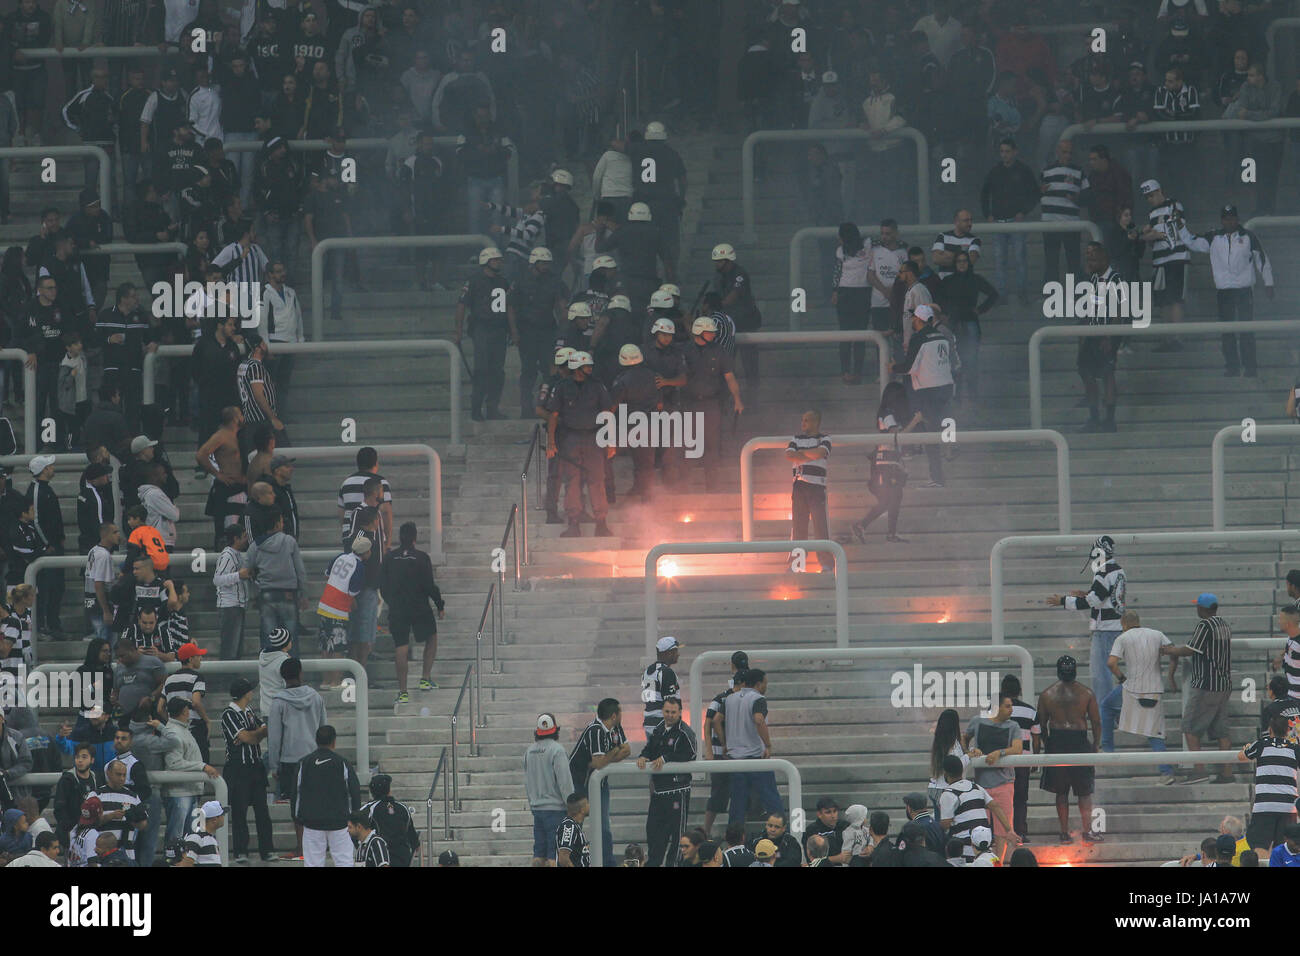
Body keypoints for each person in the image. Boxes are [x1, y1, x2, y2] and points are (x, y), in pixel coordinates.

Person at [1177, 204, 1273, 377]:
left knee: (1246, 331)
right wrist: (1180, 228)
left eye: (1232, 218)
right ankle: (1232, 367)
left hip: (1244, 291)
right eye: (1226, 218)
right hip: (1224, 292)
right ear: (1222, 220)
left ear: (1237, 219)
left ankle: (1250, 368)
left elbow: (1262, 259)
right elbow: (1192, 241)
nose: (1230, 221)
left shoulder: (1248, 236)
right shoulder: (1214, 237)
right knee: (1227, 331)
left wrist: (1269, 283)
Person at [1047, 534, 1127, 700]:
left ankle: (1103, 713)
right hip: (1115, 626)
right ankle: (1110, 711)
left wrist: (1063, 601)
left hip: (1104, 629)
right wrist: (1086, 594)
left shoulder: (1103, 572)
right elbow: (1106, 596)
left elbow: (1092, 601)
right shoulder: (1118, 570)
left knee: (1100, 674)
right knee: (1106, 672)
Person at [1165, 594, 1234, 784]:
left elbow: (1191, 649)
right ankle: (1227, 773)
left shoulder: (1205, 625)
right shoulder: (1224, 624)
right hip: (1224, 684)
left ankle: (1199, 770)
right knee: (1222, 731)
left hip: (1206, 684)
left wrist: (1171, 651)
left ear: (1202, 609)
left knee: (1189, 727)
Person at [545, 350, 613, 538]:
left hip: (593, 438)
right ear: (576, 367)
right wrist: (551, 441)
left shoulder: (597, 386)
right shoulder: (561, 387)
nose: (590, 368)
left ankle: (601, 523)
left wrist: (610, 440)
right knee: (572, 481)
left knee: (597, 480)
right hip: (570, 439)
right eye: (586, 365)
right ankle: (573, 523)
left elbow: (607, 413)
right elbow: (553, 415)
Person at [1037, 655, 1104, 845]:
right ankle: (1087, 830)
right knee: (1083, 792)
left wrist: (1047, 743)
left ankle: (1064, 832)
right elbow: (1096, 722)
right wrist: (1095, 744)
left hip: (1057, 741)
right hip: (1078, 741)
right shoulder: (1086, 693)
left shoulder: (1047, 694)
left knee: (1062, 791)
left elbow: (1041, 726)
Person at [1104, 610, 1175, 781]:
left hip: (1132, 689)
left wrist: (1122, 678)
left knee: (1106, 706)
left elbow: (1111, 663)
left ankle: (1107, 751)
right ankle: (1166, 773)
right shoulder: (1157, 634)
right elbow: (1174, 652)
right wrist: (1171, 676)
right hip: (1155, 689)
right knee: (1153, 732)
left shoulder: (1123, 638)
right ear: (1138, 621)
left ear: (1123, 624)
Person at [380, 522, 446, 702]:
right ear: (415, 538)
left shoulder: (390, 557)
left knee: (401, 646)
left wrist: (391, 601)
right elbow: (429, 585)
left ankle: (403, 692)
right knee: (431, 637)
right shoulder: (421, 557)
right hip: (419, 607)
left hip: (398, 608)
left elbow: (383, 585)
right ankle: (425, 678)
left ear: (399, 537)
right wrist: (440, 605)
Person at [891, 305, 953, 488]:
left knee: (930, 434)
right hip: (945, 388)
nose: (912, 320)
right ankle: (948, 453)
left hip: (929, 391)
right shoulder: (941, 336)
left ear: (919, 320)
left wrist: (893, 368)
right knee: (939, 426)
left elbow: (910, 367)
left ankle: (937, 477)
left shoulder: (919, 338)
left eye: (914, 318)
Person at [853, 382, 922, 544]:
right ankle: (865, 526)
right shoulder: (887, 413)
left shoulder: (889, 413)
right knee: (890, 499)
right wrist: (915, 421)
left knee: (893, 499)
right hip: (886, 463)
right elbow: (896, 436)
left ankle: (882, 531)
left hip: (891, 462)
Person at [681, 315, 744, 492]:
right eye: (710, 332)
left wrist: (737, 399)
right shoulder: (685, 351)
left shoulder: (719, 351)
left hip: (711, 404)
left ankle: (712, 486)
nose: (713, 335)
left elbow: (730, 377)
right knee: (688, 445)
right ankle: (685, 485)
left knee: (712, 446)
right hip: (689, 404)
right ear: (699, 332)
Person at [567, 697, 629, 868]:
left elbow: (627, 750)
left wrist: (608, 756)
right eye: (621, 712)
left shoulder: (616, 727)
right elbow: (598, 763)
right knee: (576, 822)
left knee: (604, 826)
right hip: (580, 783)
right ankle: (570, 861)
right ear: (614, 715)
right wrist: (614, 751)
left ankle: (607, 863)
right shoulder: (595, 730)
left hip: (600, 783)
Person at [636, 697, 697, 868]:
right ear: (662, 711)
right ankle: (653, 863)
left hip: (678, 791)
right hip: (658, 792)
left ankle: (674, 864)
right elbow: (649, 747)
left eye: (673, 712)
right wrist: (643, 756)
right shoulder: (658, 729)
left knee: (678, 836)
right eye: (667, 712)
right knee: (653, 832)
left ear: (680, 713)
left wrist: (666, 758)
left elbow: (691, 754)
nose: (669, 715)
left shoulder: (685, 732)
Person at [979, 138, 1039, 303]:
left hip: (1016, 221)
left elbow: (1034, 193)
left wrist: (1023, 212)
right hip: (998, 222)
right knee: (1000, 260)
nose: (1004, 155)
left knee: (1019, 258)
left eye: (1007, 151)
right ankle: (1001, 294)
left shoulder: (1023, 170)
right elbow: (984, 193)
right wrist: (988, 215)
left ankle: (1022, 293)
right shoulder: (995, 171)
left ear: (1015, 151)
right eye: (1002, 152)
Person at [963, 693, 1023, 857]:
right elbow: (964, 738)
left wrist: (1000, 752)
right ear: (997, 707)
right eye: (1008, 706)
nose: (1011, 709)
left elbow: (1018, 748)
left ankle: (999, 863)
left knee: (1002, 830)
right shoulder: (977, 721)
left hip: (1004, 782)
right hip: (981, 783)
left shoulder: (1013, 726)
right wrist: (969, 752)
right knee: (979, 826)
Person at [455, 246, 511, 421]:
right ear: (485, 261)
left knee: (497, 371)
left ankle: (492, 408)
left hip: (499, 330)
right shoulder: (473, 281)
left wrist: (513, 330)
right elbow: (461, 305)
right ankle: (476, 408)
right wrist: (457, 330)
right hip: (481, 328)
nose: (498, 263)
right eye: (495, 260)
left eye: (499, 260)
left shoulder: (503, 282)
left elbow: (507, 308)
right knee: (481, 370)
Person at [721, 668, 782, 828]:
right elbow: (758, 719)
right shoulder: (758, 699)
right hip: (755, 758)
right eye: (765, 683)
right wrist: (768, 744)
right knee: (772, 800)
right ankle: (784, 833)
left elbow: (716, 720)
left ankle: (734, 840)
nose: (766, 687)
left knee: (737, 804)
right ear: (758, 684)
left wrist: (724, 743)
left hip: (735, 759)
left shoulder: (729, 699)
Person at [220, 677, 272, 864]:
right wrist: (252, 735)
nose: (252, 692)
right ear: (245, 693)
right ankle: (240, 852)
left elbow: (259, 733)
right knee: (240, 812)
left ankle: (267, 851)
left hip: (255, 767)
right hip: (237, 769)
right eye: (250, 690)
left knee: (262, 811)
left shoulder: (248, 711)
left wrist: (252, 735)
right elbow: (248, 737)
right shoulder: (228, 714)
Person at [1236, 712, 1300, 853]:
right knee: (1285, 850)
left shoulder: (1261, 744)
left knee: (1260, 846)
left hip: (1265, 805)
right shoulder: (1295, 749)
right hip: (1288, 807)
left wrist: (1245, 748)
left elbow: (1241, 756)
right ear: (1288, 731)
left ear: (1270, 729)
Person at [160, 698, 219, 848]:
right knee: (177, 836)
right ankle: (174, 862)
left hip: (189, 791)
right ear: (184, 711)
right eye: (188, 710)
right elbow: (174, 764)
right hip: (179, 794)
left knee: (189, 837)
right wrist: (202, 766)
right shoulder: (173, 732)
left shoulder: (182, 730)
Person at [1138, 179, 1189, 350]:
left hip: (1176, 258)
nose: (1150, 199)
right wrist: (1149, 235)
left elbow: (1176, 228)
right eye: (1147, 197)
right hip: (1159, 261)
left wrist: (1154, 234)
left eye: (1151, 195)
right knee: (1163, 301)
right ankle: (1168, 338)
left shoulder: (1174, 205)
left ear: (1160, 191)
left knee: (1175, 299)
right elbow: (1153, 240)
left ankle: (1177, 337)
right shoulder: (1152, 213)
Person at [246, 512, 308, 653]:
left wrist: (254, 593)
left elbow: (246, 571)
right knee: (290, 639)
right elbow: (300, 571)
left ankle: (269, 672)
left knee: (269, 639)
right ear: (277, 524)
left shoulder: (256, 545)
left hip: (266, 594)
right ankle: (291, 671)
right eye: (281, 521)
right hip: (288, 594)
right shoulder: (289, 541)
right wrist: (304, 594)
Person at [937, 754, 1009, 862]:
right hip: (985, 850)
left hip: (964, 852)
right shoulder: (976, 787)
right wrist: (1009, 830)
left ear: (945, 773)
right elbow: (995, 806)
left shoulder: (948, 794)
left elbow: (946, 823)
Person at [785, 410, 833, 574]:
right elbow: (790, 455)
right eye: (802, 420)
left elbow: (822, 452)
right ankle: (797, 564)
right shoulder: (796, 438)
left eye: (806, 420)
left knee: (820, 526)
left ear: (815, 422)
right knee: (798, 528)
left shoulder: (824, 438)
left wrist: (802, 455)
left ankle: (826, 564)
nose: (803, 423)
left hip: (817, 487)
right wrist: (810, 454)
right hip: (799, 487)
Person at [524, 713, 573, 867]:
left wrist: (532, 804)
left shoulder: (529, 752)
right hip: (556, 810)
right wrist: (571, 805)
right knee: (555, 856)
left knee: (539, 854)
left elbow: (527, 783)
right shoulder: (557, 750)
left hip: (537, 809)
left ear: (538, 731)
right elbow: (564, 782)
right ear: (555, 730)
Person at [26, 454, 66, 636]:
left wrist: (61, 537)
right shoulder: (36, 491)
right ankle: (42, 626)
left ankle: (53, 624)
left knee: (58, 588)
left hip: (56, 548)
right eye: (50, 466)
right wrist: (46, 544)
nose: (52, 468)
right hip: (47, 551)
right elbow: (34, 521)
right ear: (43, 470)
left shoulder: (46, 489)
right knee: (46, 589)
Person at [359, 773, 421, 867]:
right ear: (389, 790)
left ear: (372, 791)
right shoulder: (402, 808)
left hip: (379, 859)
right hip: (402, 858)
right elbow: (411, 834)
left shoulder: (368, 809)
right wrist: (416, 844)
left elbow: (356, 830)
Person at [640, 636, 682, 740]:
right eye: (675, 651)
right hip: (662, 723)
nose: (678, 654)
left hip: (649, 723)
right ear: (668, 653)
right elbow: (671, 703)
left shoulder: (648, 671)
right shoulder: (666, 672)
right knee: (667, 755)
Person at [175, 800, 225, 866]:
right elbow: (185, 864)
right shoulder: (195, 837)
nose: (224, 817)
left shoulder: (209, 838)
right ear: (214, 820)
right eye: (222, 815)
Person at [555, 792, 590, 868]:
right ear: (582, 809)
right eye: (587, 803)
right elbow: (563, 858)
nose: (590, 806)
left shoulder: (574, 825)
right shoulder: (569, 826)